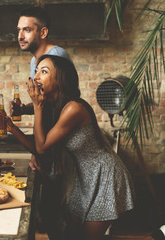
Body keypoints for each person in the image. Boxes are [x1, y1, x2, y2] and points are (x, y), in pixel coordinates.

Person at [26, 55, 135, 240]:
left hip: (106, 175)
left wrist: (37, 107)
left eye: (43, 71)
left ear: (60, 79)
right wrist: (11, 125)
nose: (36, 77)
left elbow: (41, 146)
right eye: (36, 71)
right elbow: (39, 147)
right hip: (86, 177)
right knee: (70, 234)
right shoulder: (56, 106)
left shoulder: (73, 109)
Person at [14, 6, 74, 239]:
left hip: (59, 149)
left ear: (43, 31)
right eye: (19, 30)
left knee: (56, 215)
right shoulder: (34, 60)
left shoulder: (57, 56)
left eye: (27, 30)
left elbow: (66, 105)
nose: (20, 35)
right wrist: (26, 108)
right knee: (48, 212)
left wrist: (54, 152)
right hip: (48, 147)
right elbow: (45, 104)